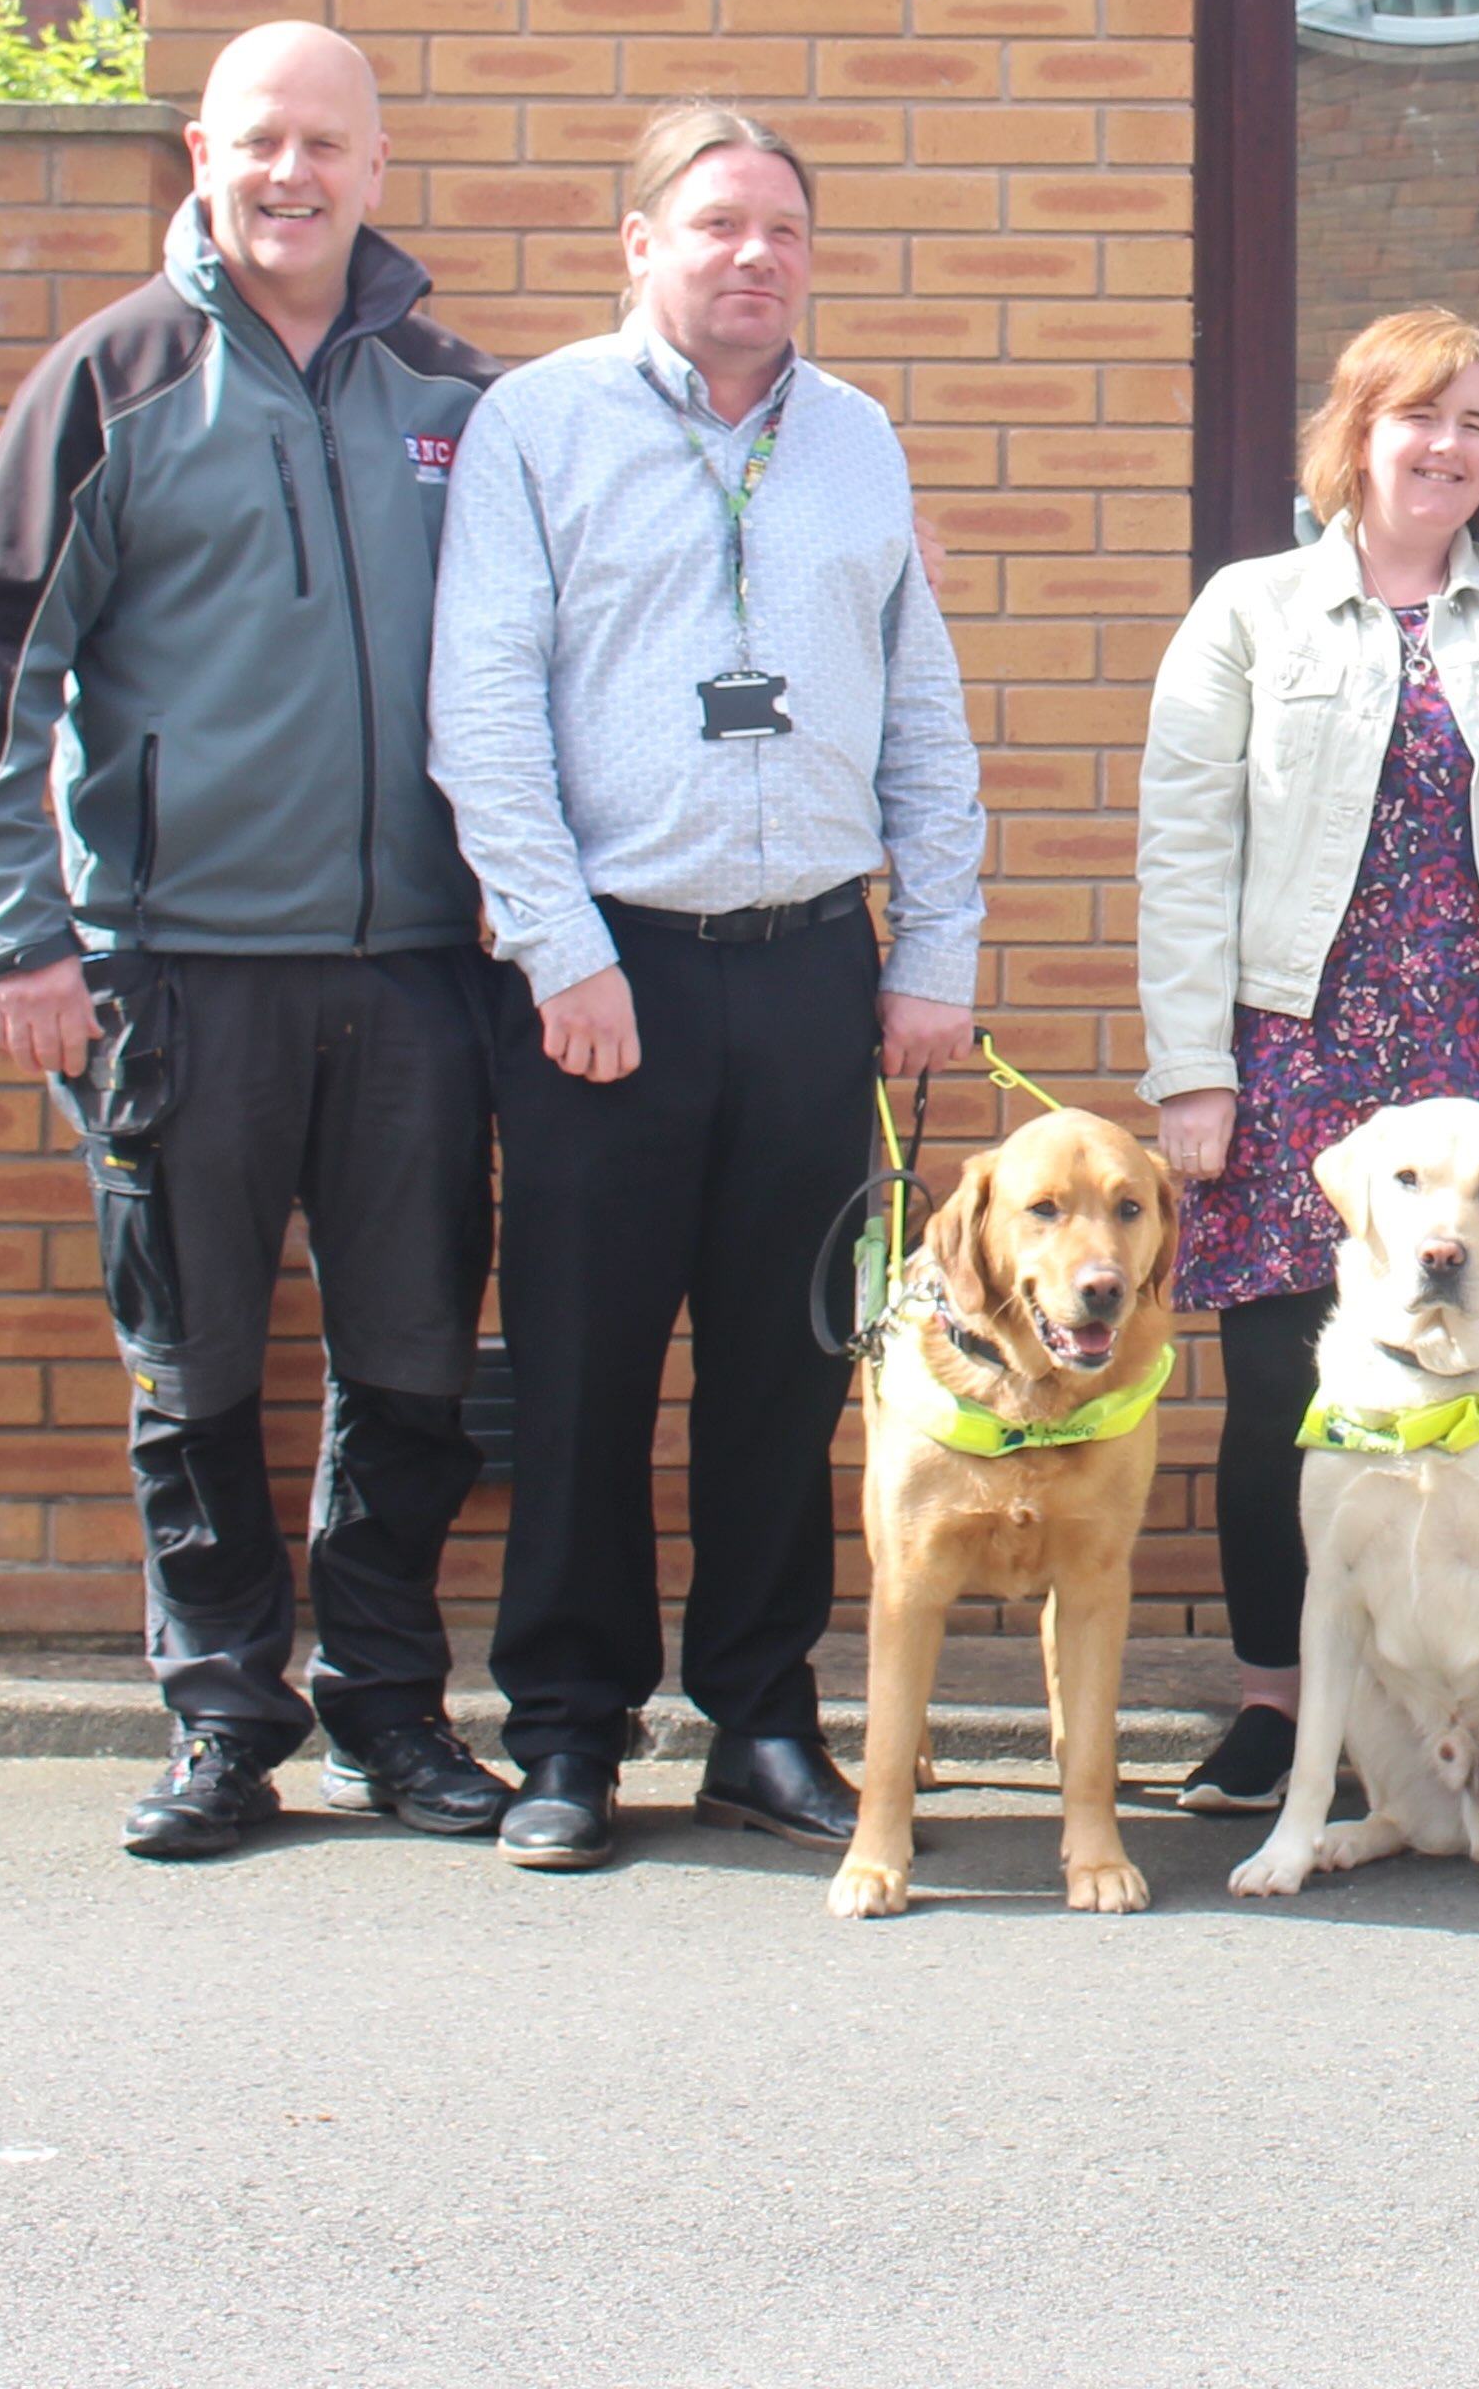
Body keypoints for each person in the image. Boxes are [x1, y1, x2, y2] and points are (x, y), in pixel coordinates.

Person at [0, 19, 508, 1863]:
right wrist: (24, 938)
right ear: (201, 148)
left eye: (327, 143)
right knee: (197, 1378)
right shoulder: (113, 381)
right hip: (176, 972)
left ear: (378, 167)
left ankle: (392, 1720)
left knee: (414, 1368)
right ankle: (224, 1722)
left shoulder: (454, 397)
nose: (292, 175)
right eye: (261, 140)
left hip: (420, 977)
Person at [428, 106, 989, 1873]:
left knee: (786, 1371)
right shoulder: (539, 427)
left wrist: (932, 954)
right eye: (719, 224)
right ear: (640, 244)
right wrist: (561, 952)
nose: (756, 257)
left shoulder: (859, 442)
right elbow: (484, 712)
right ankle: (570, 1741)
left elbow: (921, 712)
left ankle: (759, 1721)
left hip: (813, 969)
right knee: (589, 1373)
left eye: (786, 232)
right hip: (611, 977)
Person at [1137, 307, 1479, 1820]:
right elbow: (1184, 838)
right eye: (1421, 417)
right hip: (1291, 1047)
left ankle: (1476, 1725)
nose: (1449, 447)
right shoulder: (1249, 609)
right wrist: (1191, 1065)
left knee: (1477, 1399)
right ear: (1356, 433)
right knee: (1288, 1393)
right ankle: (1280, 1715)